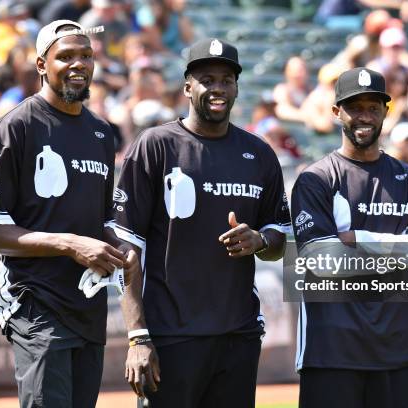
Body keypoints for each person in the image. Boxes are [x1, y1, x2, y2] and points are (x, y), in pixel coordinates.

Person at [109, 38, 291, 407]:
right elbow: (126, 247)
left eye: (227, 79)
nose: (218, 88)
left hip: (237, 335)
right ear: (188, 86)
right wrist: (138, 337)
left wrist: (259, 239)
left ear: (237, 87)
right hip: (170, 336)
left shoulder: (258, 154)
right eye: (207, 79)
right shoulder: (155, 146)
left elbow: (280, 238)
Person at [0, 20, 137, 408]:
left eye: (86, 56)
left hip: (85, 303)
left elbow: (99, 219)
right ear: (42, 64)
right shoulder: (15, 126)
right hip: (33, 298)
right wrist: (68, 244)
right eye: (66, 56)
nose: (79, 64)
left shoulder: (100, 133)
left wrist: (122, 245)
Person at [290, 67, 408, 408]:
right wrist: (405, 246)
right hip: (332, 350)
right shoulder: (316, 179)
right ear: (336, 113)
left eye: (373, 107)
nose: (365, 116)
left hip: (401, 349)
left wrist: (360, 237)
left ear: (385, 112)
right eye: (354, 107)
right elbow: (324, 260)